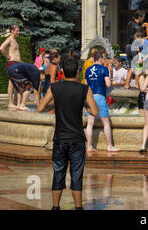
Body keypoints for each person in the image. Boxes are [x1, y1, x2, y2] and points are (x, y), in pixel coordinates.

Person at [37, 58, 98, 210]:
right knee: (76, 174)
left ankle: (55, 207)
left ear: (62, 72)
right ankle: (78, 207)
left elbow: (40, 108)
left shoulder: (55, 87)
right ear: (78, 72)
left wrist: (56, 104)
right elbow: (94, 111)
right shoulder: (84, 89)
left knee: (58, 172)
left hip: (60, 139)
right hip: (77, 139)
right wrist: (83, 103)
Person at [84, 52, 120, 153]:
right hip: (100, 96)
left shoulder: (87, 70)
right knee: (106, 122)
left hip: (90, 97)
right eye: (104, 58)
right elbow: (108, 84)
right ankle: (109, 146)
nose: (105, 60)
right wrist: (111, 82)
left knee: (90, 123)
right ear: (100, 59)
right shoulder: (104, 69)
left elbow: (86, 86)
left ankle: (89, 146)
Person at [0, 24, 21, 110]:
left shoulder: (15, 40)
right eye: (17, 30)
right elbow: (1, 48)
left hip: (17, 63)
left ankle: (15, 102)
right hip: (12, 63)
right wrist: (8, 56)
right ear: (12, 31)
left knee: (16, 83)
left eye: (18, 30)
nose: (18, 32)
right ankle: (10, 103)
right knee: (11, 84)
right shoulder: (9, 39)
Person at [126, 10, 147, 89]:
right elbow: (138, 38)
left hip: (128, 46)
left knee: (131, 67)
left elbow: (133, 33)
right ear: (139, 17)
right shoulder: (137, 27)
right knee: (138, 66)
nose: (143, 19)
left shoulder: (130, 23)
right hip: (134, 47)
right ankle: (136, 84)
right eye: (143, 17)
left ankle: (127, 84)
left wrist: (141, 26)